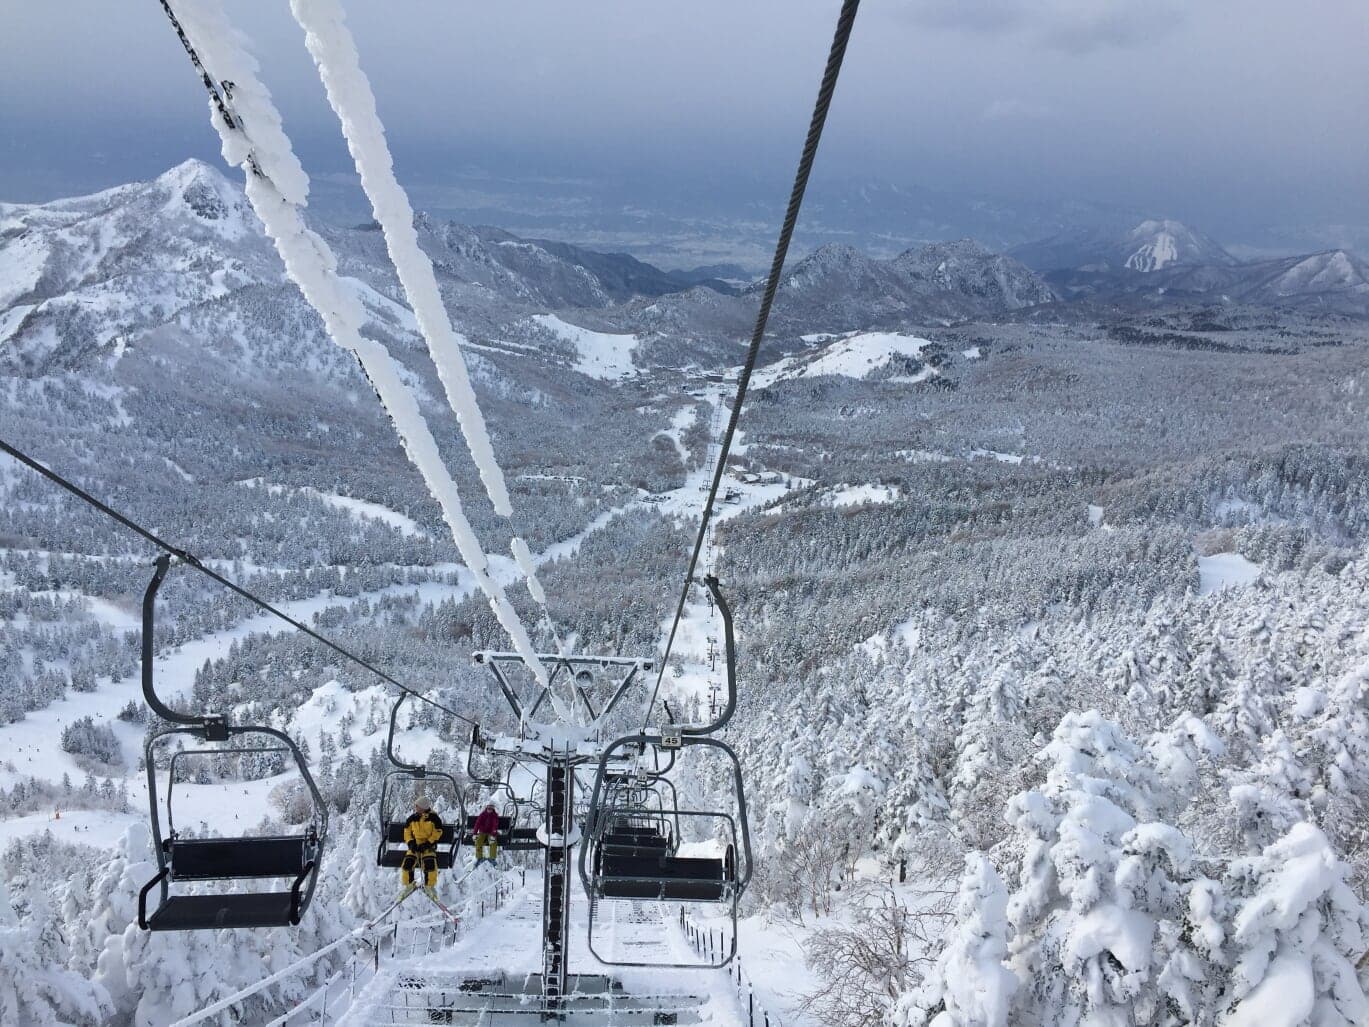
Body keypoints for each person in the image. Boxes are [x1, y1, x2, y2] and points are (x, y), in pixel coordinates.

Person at [400, 795, 444, 897]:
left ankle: (429, 886)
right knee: (407, 863)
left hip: (428, 846)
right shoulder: (412, 818)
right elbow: (407, 832)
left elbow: (437, 832)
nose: (415, 808)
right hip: (415, 846)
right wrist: (411, 843)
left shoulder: (434, 818)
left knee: (430, 864)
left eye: (417, 806)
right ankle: (409, 884)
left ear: (423, 807)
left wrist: (428, 843)